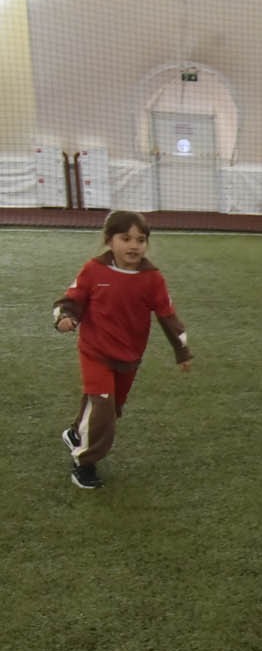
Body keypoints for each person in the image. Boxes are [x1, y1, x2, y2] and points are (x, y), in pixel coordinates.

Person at [52, 210, 192, 490]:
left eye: (140, 240)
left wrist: (182, 351)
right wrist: (65, 317)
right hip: (95, 352)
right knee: (102, 405)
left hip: (129, 357)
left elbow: (168, 316)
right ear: (109, 240)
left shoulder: (152, 279)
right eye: (125, 238)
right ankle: (84, 463)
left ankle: (76, 432)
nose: (133, 245)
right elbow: (71, 299)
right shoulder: (93, 270)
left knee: (110, 408)